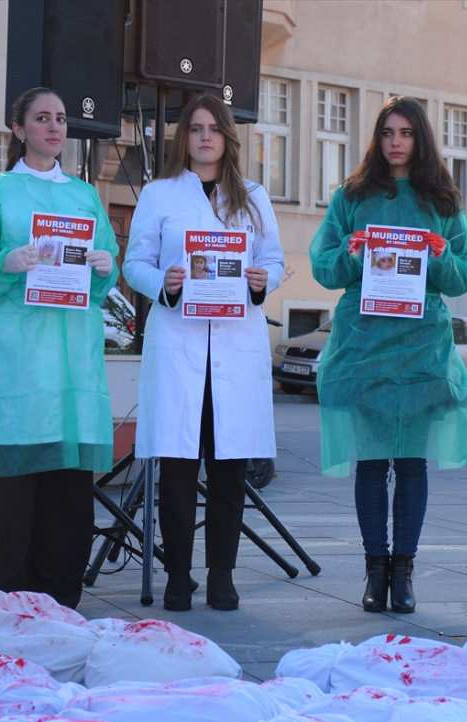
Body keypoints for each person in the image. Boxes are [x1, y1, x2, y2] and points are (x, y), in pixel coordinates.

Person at [0, 87, 118, 610]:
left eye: (62, 119)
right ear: (19, 129)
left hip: (71, 356)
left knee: (66, 487)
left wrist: (105, 266)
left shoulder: (84, 195)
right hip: (16, 358)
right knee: (10, 480)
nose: (55, 127)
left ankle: (59, 595)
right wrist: (6, 262)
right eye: (42, 118)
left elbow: (106, 253)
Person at [309, 96, 467, 614]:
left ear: (420, 138)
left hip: (421, 346)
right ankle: (373, 570)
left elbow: (463, 277)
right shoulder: (352, 196)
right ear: (377, 139)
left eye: (405, 133)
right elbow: (324, 266)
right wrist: (351, 254)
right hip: (363, 344)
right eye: (387, 133)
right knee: (370, 462)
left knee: (410, 463)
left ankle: (403, 573)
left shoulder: (444, 201)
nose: (395, 142)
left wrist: (442, 256)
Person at [124, 94, 284, 612]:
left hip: (235, 352)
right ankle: (176, 576)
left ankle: (222, 575)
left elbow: (274, 261)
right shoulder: (159, 194)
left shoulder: (254, 196)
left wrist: (263, 281)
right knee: (175, 470)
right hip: (180, 347)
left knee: (229, 469)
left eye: (214, 128)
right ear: (183, 138)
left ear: (228, 137)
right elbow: (134, 264)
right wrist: (163, 283)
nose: (205, 137)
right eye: (195, 128)